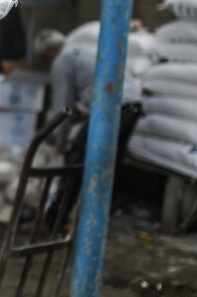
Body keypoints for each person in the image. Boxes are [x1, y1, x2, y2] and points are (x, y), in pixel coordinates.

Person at [39, 23, 143, 226]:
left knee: (75, 159)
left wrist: (61, 138)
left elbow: (63, 105)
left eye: (44, 58)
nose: (47, 62)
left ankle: (54, 222)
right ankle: (97, 220)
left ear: (49, 50)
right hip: (132, 106)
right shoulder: (85, 51)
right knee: (109, 164)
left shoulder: (63, 60)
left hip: (110, 108)